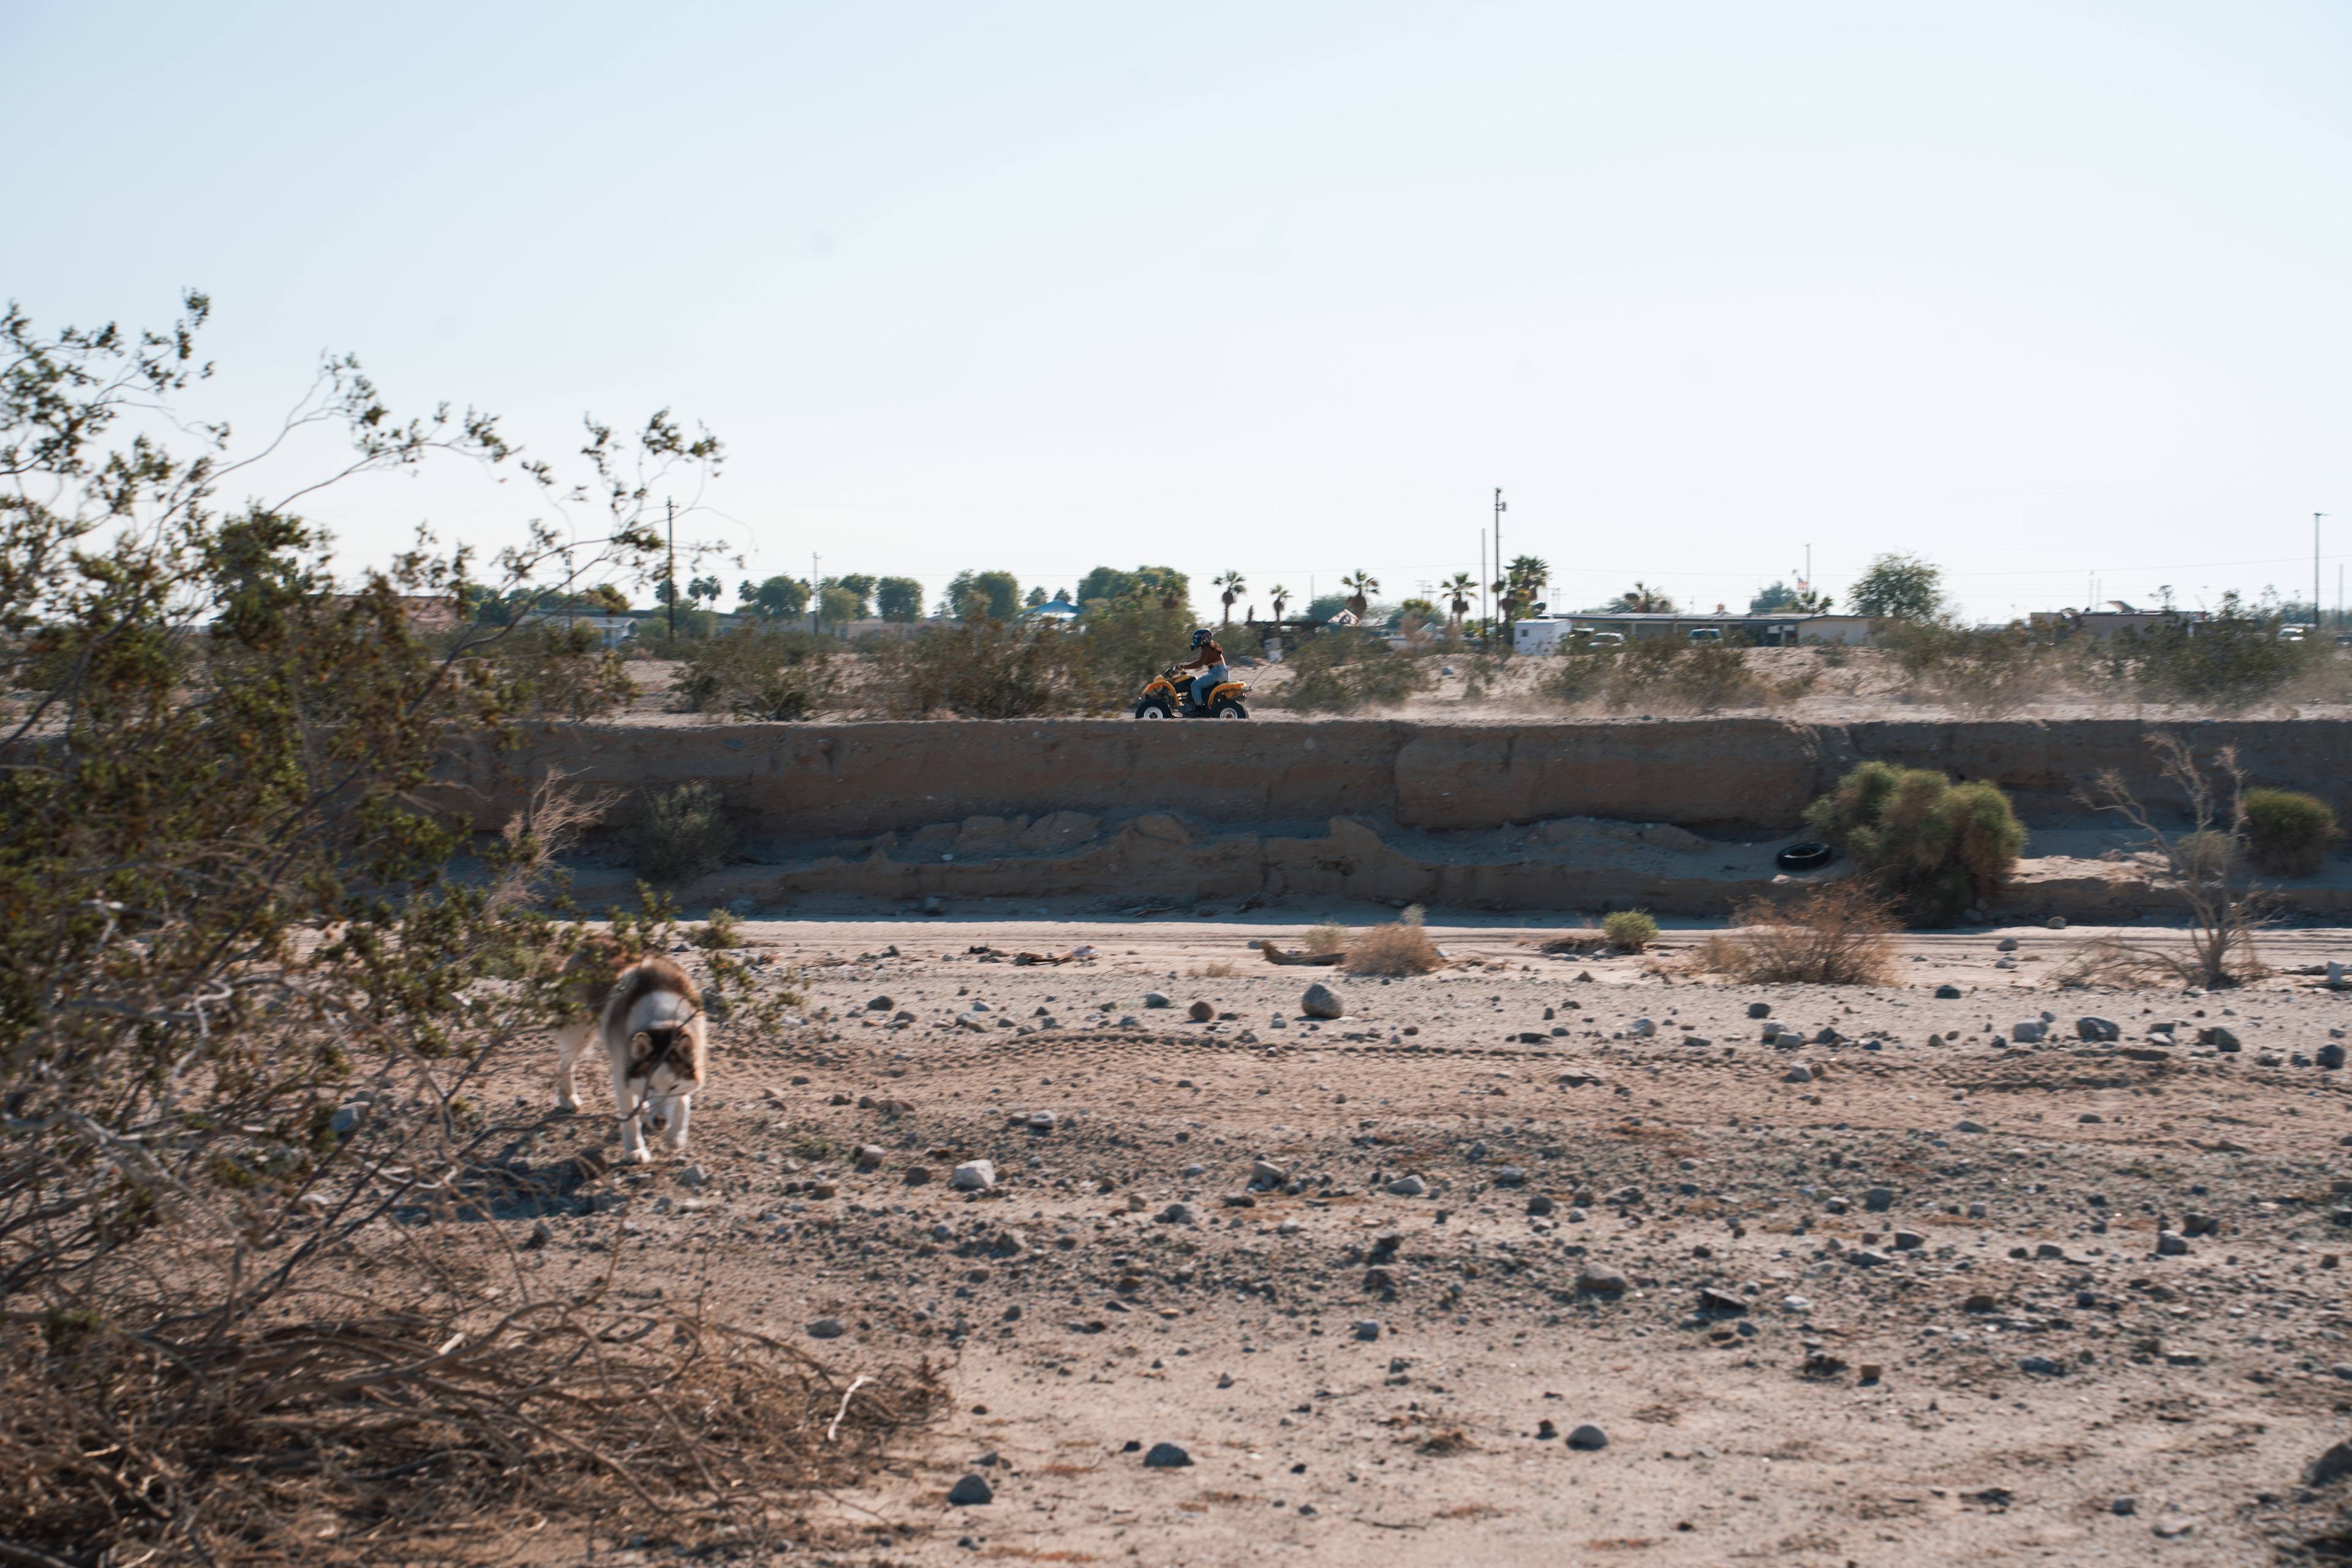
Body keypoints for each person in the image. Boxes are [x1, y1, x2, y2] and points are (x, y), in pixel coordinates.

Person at [1178, 627, 1227, 709]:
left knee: (1195, 685)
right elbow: (1199, 662)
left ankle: (1198, 707)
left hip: (1217, 673)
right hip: (1220, 672)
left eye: (1196, 640)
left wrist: (1184, 667)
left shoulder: (1207, 648)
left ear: (1203, 639)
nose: (1195, 642)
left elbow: (1199, 663)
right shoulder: (1211, 647)